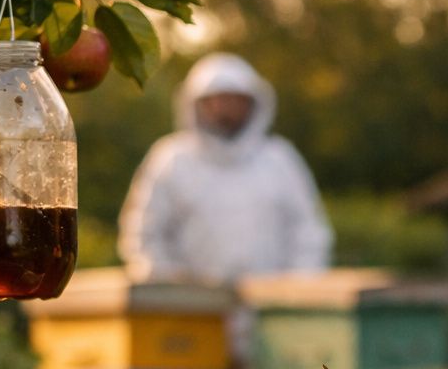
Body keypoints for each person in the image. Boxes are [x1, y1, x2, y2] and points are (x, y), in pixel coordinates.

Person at [119, 53, 333, 283]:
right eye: (218, 99)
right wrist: (173, 288)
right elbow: (143, 236)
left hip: (269, 308)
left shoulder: (280, 160)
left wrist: (294, 291)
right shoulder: (170, 160)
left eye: (235, 100)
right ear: (197, 103)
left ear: (253, 103)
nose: (226, 108)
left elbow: (309, 234)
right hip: (191, 310)